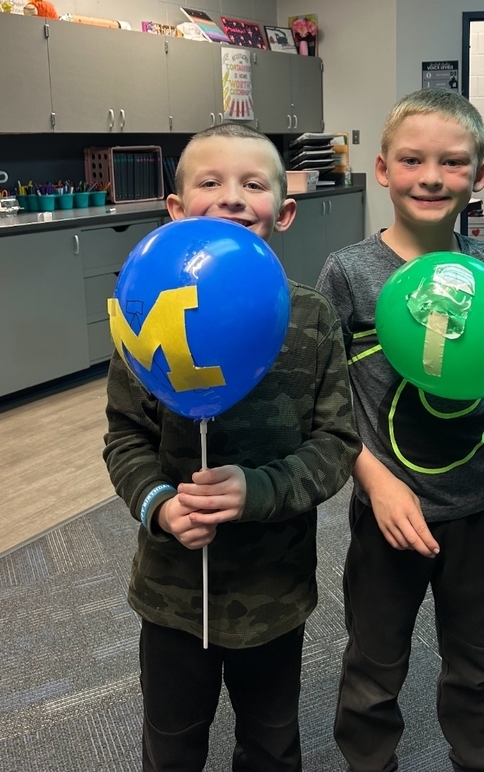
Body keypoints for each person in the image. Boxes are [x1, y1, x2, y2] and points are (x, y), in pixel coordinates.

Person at [104, 123, 361, 772]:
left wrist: (258, 490)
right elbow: (126, 437)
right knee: (171, 740)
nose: (232, 196)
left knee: (271, 742)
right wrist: (160, 504)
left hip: (273, 592)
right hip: (171, 593)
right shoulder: (146, 307)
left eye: (253, 184)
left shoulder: (311, 318)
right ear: (175, 208)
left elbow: (336, 443)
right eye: (210, 182)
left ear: (285, 211)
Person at [316, 90, 484, 772]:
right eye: (412, 160)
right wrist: (376, 484)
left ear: (479, 175)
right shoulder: (349, 273)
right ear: (384, 170)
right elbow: (324, 405)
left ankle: (476, 760)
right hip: (390, 511)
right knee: (373, 664)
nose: (432, 177)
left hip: (483, 504)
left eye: (453, 162)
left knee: (477, 663)